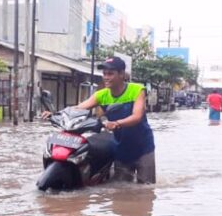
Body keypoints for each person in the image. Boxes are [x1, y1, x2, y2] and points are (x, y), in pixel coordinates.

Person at [42, 56, 156, 184]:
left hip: (142, 146)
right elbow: (78, 108)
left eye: (110, 74)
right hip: (120, 146)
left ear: (121, 74)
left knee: (146, 188)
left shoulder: (137, 90)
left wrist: (117, 123)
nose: (106, 77)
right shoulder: (101, 95)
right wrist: (55, 113)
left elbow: (137, 116)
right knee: (122, 188)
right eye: (104, 74)